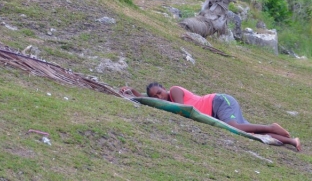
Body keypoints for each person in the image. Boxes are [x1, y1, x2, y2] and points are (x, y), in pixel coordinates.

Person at [120, 82, 301, 151]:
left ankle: (271, 127)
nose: (159, 97)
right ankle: (292, 141)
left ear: (164, 88)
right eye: (156, 97)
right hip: (217, 112)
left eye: (159, 92)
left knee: (234, 127)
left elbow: (180, 107)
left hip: (219, 102)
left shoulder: (174, 91)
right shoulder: (165, 99)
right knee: (251, 134)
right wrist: (134, 94)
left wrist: (139, 96)